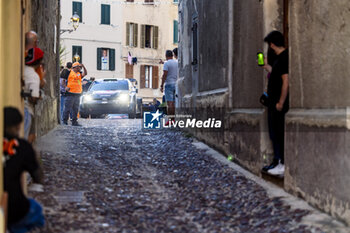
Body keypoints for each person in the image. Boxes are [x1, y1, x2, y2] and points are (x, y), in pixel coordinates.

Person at [3, 107, 45, 232]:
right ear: (18, 126)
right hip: (16, 208)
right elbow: (38, 177)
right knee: (36, 210)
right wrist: (35, 157)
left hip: (8, 206)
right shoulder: (22, 146)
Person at [260, 31, 289, 176]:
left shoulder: (284, 57)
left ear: (272, 44)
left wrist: (280, 102)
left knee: (278, 133)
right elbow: (278, 76)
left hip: (278, 104)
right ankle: (277, 161)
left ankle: (282, 163)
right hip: (273, 102)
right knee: (274, 133)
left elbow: (286, 81)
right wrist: (267, 67)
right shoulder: (279, 59)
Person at [23, 47, 44, 142]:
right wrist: (39, 96)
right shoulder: (34, 76)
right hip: (26, 109)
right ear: (39, 62)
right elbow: (33, 98)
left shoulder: (22, 69)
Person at [160, 50, 178, 124]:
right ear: (172, 55)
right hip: (176, 84)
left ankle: (171, 120)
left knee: (170, 104)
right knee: (174, 103)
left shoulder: (166, 63)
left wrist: (161, 85)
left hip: (169, 84)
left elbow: (165, 74)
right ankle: (174, 119)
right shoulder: (177, 62)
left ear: (166, 56)